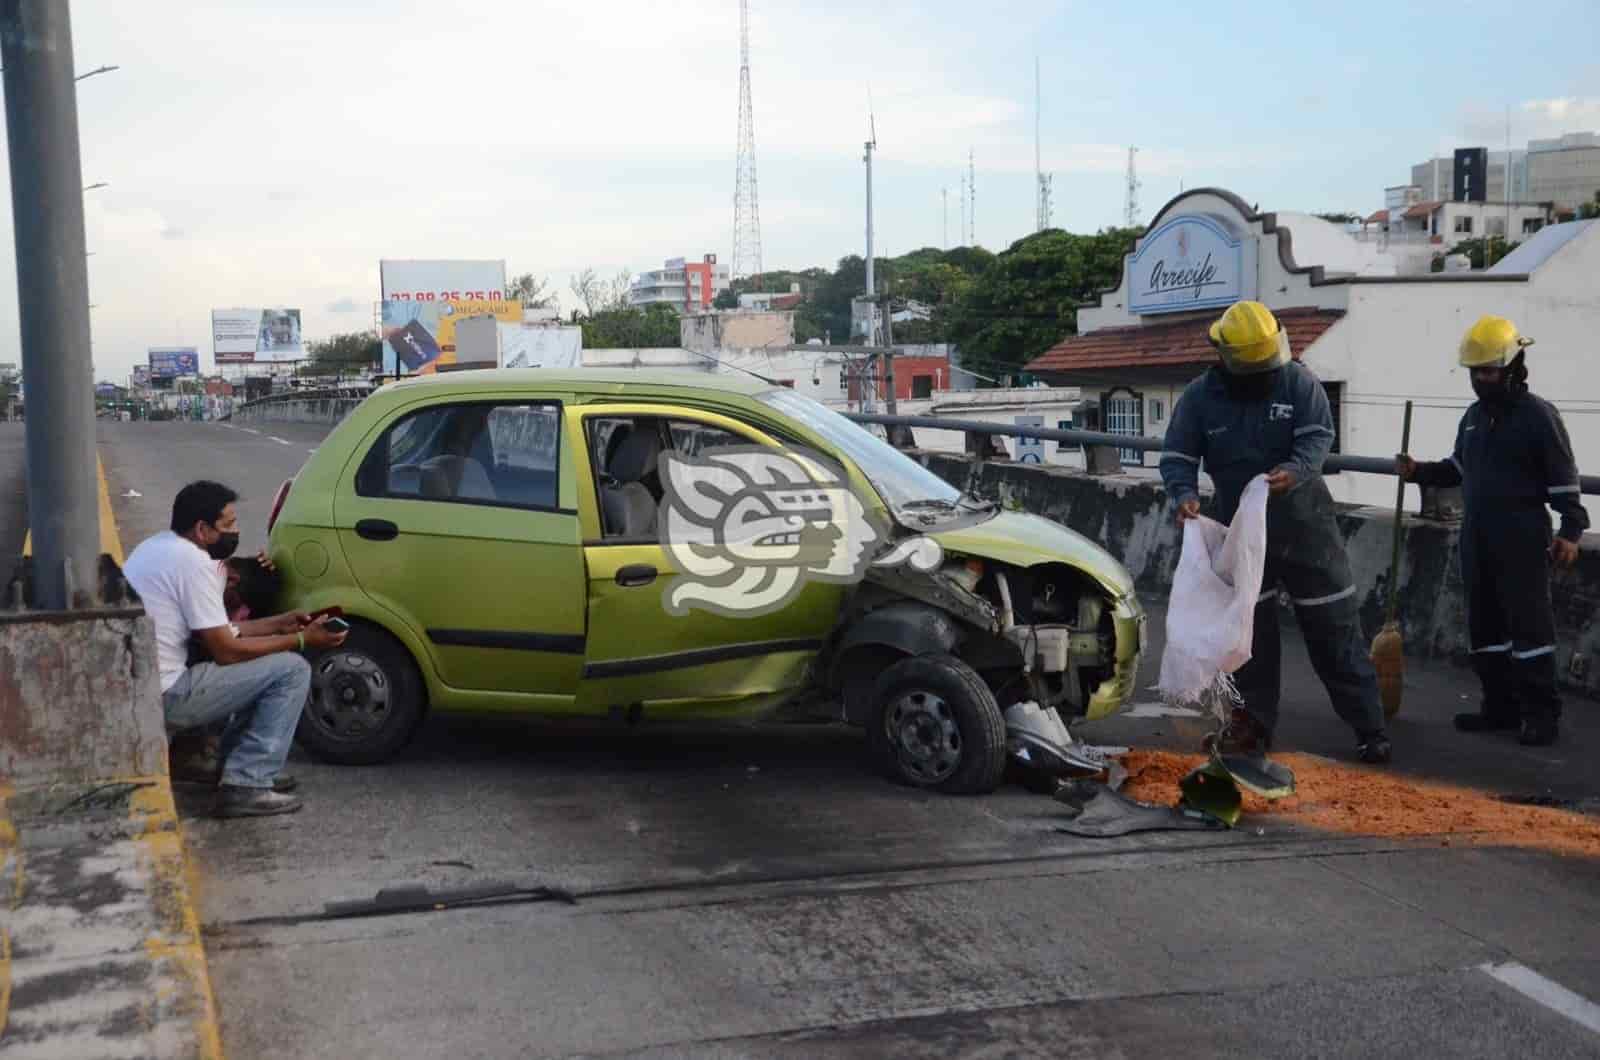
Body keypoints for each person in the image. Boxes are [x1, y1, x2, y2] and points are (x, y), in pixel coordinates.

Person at [1160, 300, 1392, 764]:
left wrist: (1298, 469)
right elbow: (1178, 455)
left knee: (1334, 632)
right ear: (1224, 360)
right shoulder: (1199, 398)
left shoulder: (1298, 382)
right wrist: (1183, 493)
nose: (1263, 377)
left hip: (1307, 530)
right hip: (1242, 537)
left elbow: (1317, 437)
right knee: (1251, 641)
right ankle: (1253, 728)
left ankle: (1370, 727)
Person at [1397, 316, 1586, 746]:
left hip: (1521, 537)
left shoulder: (1539, 416)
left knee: (1530, 627)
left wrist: (1571, 529)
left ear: (1512, 367)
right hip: (1476, 537)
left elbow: (1563, 477)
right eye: (1474, 372)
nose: (1480, 380)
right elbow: (1457, 469)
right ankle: (1500, 708)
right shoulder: (1473, 418)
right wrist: (1417, 472)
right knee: (1485, 628)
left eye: (1488, 371)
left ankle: (1541, 714)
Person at [122, 480, 347, 817]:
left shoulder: (157, 547)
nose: (236, 531)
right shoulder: (193, 564)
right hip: (165, 697)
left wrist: (280, 623)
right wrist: (302, 640)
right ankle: (248, 783)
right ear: (202, 529)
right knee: (291, 670)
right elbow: (226, 650)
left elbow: (221, 631)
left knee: (266, 660)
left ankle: (229, 768)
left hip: (139, 688)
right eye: (228, 525)